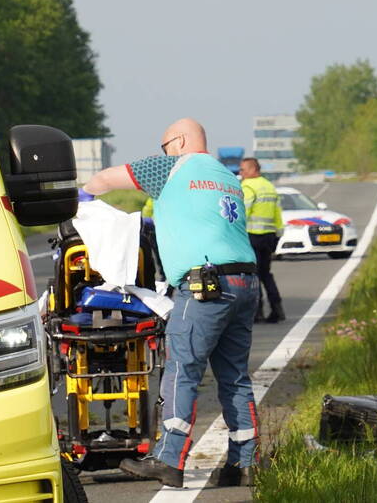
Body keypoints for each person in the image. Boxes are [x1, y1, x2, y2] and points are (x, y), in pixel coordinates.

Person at [81, 118, 260, 489]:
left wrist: (84, 196)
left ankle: (168, 460)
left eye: (164, 147)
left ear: (178, 141)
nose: (162, 153)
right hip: (245, 282)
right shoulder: (227, 176)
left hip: (205, 286)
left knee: (182, 370)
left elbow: (104, 180)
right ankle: (244, 462)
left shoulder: (172, 166)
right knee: (234, 376)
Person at [239, 157, 285, 323]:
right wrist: (278, 235)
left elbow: (242, 213)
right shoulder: (269, 186)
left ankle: (257, 312)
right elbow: (277, 213)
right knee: (266, 274)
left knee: (253, 275)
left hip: (252, 236)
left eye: (243, 169)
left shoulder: (248, 186)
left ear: (253, 169)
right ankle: (277, 309)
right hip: (269, 236)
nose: (241, 173)